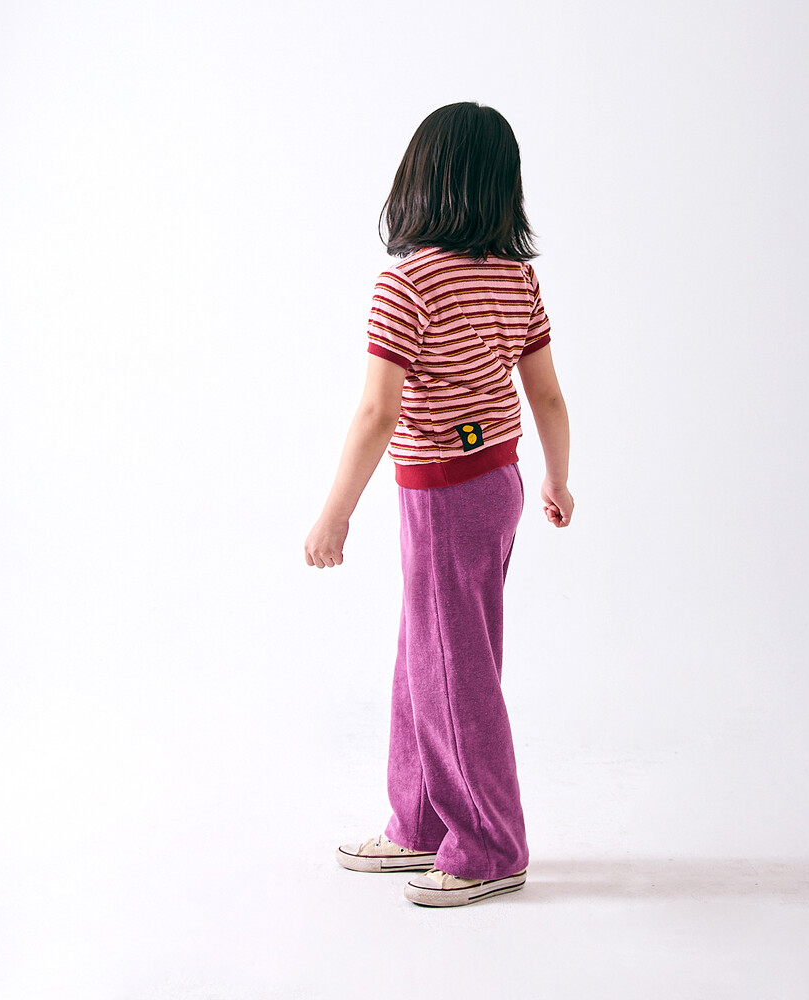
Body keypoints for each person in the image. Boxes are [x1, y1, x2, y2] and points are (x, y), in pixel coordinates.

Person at [304, 101, 573, 907]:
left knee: (455, 669)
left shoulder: (407, 281)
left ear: (421, 181)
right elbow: (547, 395)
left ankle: (490, 845)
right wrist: (557, 479)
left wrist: (335, 513)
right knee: (431, 655)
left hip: (447, 495)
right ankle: (420, 820)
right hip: (499, 483)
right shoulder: (515, 277)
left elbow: (375, 413)